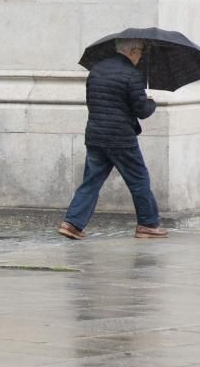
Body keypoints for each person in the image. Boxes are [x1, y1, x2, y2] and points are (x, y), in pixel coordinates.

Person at [58, 38, 168, 240]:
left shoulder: (97, 70)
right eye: (141, 52)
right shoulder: (132, 75)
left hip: (95, 135)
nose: (141, 56)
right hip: (121, 138)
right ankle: (148, 224)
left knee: (91, 182)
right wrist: (151, 103)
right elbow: (141, 111)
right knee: (139, 180)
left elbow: (94, 102)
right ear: (133, 51)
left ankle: (72, 223)